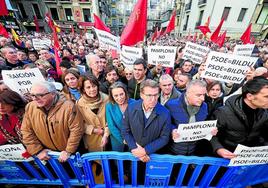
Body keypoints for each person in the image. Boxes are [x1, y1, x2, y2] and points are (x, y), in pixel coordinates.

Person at [21, 81, 84, 162]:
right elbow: (26, 131)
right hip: (47, 156)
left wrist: (69, 151)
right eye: (33, 95)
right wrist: (37, 150)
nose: (35, 98)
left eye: (40, 95)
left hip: (69, 155)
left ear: (53, 94)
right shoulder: (30, 107)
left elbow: (76, 130)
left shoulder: (69, 107)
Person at [211, 77, 268, 159]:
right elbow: (210, 135)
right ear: (250, 96)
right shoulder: (223, 113)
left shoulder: (264, 113)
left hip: (247, 159)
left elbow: (263, 135)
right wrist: (219, 149)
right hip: (225, 160)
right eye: (266, 96)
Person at [122, 79, 171, 162]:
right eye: (149, 95)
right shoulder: (131, 108)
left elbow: (164, 138)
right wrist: (136, 149)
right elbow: (125, 131)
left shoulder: (165, 113)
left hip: (152, 156)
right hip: (134, 154)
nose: (153, 99)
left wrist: (145, 151)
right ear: (141, 95)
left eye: (156, 95)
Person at [165, 80, 216, 156]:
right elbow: (164, 125)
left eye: (204, 95)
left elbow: (203, 124)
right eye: (198, 95)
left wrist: (210, 131)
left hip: (193, 153)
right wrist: (172, 131)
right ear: (188, 93)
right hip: (172, 152)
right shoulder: (171, 105)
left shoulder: (204, 106)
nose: (203, 99)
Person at [76, 74, 109, 152]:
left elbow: (110, 119)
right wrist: (94, 130)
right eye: (88, 87)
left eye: (94, 86)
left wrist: (106, 134)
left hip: (108, 137)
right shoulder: (79, 104)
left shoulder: (107, 99)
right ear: (83, 89)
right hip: (92, 139)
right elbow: (79, 123)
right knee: (96, 161)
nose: (92, 89)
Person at [106, 82, 135, 152]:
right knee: (119, 162)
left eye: (121, 94)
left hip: (133, 140)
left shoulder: (134, 103)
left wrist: (130, 140)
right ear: (112, 96)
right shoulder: (109, 106)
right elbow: (111, 126)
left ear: (125, 92)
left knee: (133, 161)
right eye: (116, 95)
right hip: (117, 140)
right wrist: (123, 139)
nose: (119, 98)